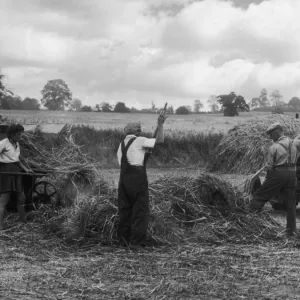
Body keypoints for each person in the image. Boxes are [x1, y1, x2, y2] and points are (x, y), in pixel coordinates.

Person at [117, 111, 167, 250]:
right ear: (138, 131)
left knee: (125, 211)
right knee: (140, 211)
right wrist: (161, 124)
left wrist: (157, 126)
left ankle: (123, 242)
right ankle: (136, 243)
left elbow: (147, 148)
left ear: (125, 131)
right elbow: (160, 141)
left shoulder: (121, 145)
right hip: (137, 180)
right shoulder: (140, 141)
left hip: (123, 181)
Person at [250, 122, 300, 236]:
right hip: (293, 174)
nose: (270, 137)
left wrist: (268, 179)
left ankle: (249, 221)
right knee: (291, 203)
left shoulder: (274, 147)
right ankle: (291, 230)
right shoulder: (295, 144)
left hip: (279, 173)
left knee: (260, 195)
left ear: (277, 133)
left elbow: (269, 166)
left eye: (271, 134)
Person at [0, 124, 32, 230]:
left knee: (21, 197)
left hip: (16, 172)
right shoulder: (3, 143)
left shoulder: (17, 144)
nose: (20, 136)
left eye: (20, 134)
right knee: (4, 199)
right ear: (12, 134)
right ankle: (0, 225)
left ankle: (23, 220)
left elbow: (16, 160)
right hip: (6, 172)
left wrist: (25, 169)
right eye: (18, 134)